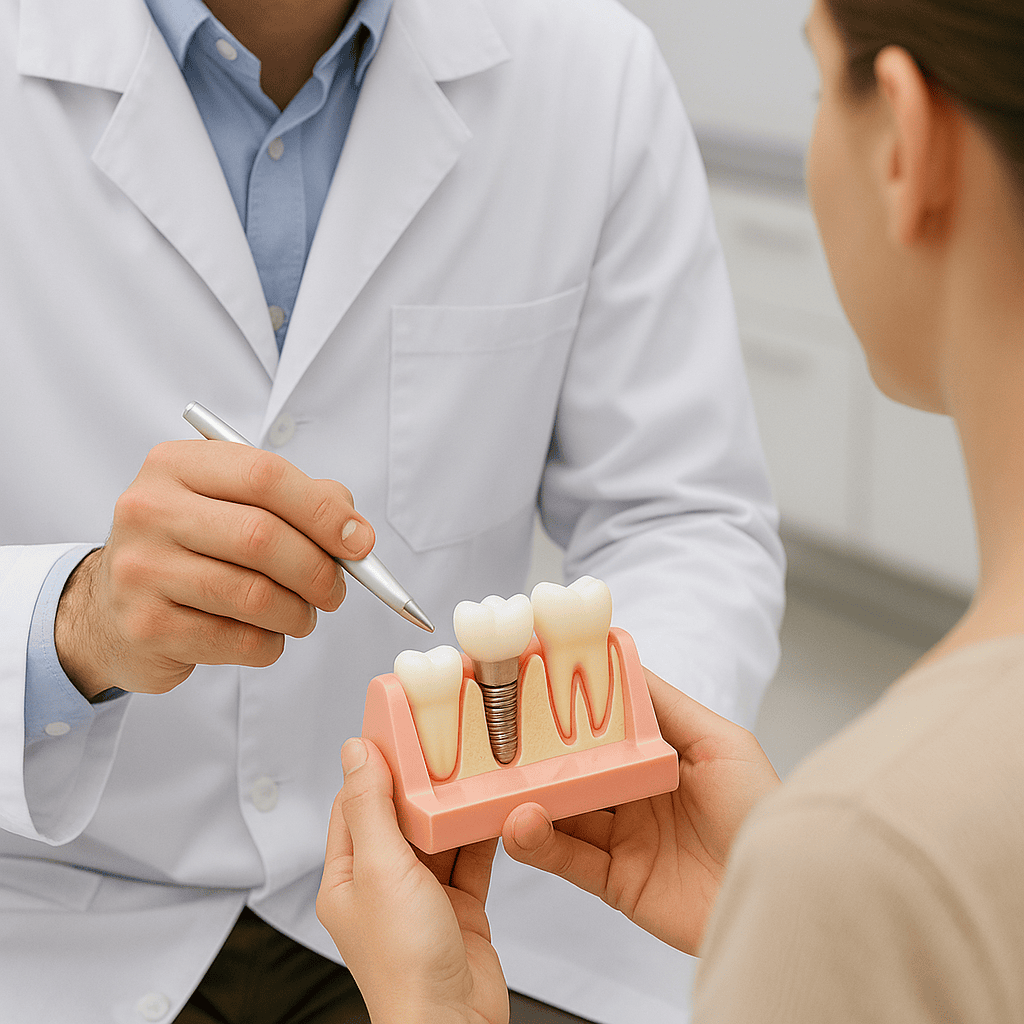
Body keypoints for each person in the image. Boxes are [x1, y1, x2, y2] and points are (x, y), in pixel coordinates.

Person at [0, 0, 786, 1021]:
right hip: (51, 907)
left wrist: (581, 736)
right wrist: (75, 620)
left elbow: (685, 514)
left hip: (477, 892)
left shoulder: (587, 68)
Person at [316, 0, 1024, 1019]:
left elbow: (686, 508)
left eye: (819, 86)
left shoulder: (876, 856)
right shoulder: (863, 855)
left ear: (905, 144)